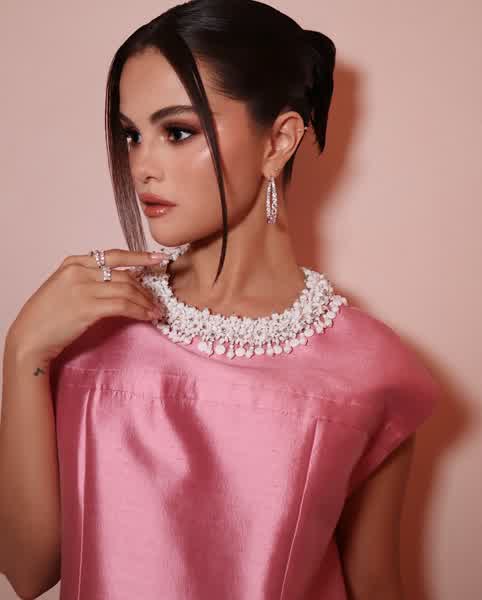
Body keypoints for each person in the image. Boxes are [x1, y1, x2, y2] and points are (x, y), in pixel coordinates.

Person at [0, 1, 441, 598]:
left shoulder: (371, 370)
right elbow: (27, 572)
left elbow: (377, 585)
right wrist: (23, 350)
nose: (142, 165)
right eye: (132, 135)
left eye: (177, 131)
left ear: (278, 141)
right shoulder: (87, 328)